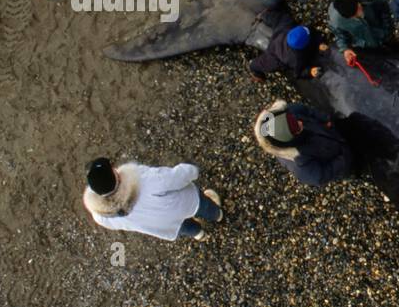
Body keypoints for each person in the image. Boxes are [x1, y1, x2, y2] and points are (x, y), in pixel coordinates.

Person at [82, 156, 224, 242]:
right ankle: (217, 215)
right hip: (185, 204)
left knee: (185, 228)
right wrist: (193, 170)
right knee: (204, 207)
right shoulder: (143, 179)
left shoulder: (101, 216)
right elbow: (175, 178)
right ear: (115, 174)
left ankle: (199, 234)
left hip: (163, 225)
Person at [252, 100, 357, 187]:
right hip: (342, 158)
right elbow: (323, 175)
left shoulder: (289, 111)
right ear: (290, 141)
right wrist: (344, 157)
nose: (300, 122)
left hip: (332, 133)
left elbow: (307, 110)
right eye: (297, 128)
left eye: (295, 119)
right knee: (352, 169)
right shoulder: (302, 166)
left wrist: (325, 119)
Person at [327, 0, 395, 66]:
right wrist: (345, 49)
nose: (360, 14)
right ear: (348, 17)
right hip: (366, 45)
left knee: (393, 46)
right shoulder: (336, 21)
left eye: (359, 8)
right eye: (355, 15)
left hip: (384, 31)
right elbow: (340, 36)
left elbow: (384, 9)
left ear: (357, 2)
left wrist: (387, 27)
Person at [249, 17, 324, 82]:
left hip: (279, 35)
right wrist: (310, 71)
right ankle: (256, 74)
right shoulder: (296, 60)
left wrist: (320, 43)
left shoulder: (287, 25)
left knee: (278, 20)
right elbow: (298, 73)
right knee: (255, 65)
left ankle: (263, 18)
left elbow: (278, 17)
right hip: (276, 56)